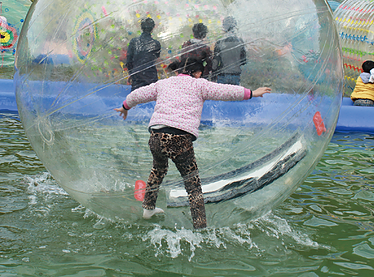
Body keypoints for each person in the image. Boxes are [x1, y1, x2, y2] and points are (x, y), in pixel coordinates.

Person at [114, 58, 271, 229]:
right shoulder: (199, 85)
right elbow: (225, 91)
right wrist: (251, 93)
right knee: (192, 183)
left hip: (156, 136)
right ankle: (200, 224)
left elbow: (137, 95)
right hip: (179, 138)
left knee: (158, 170)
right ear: (196, 73)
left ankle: (148, 208)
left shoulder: (163, 84)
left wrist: (125, 107)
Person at [126, 17, 161, 91]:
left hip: (137, 77)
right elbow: (155, 59)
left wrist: (132, 73)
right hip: (151, 77)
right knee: (151, 99)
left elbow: (129, 61)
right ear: (152, 28)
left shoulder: (134, 42)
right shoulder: (156, 44)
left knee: (136, 99)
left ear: (141, 28)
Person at [212, 16, 247, 85]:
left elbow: (215, 62)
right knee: (235, 95)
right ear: (235, 26)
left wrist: (213, 76)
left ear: (224, 27)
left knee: (222, 95)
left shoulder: (220, 42)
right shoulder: (240, 42)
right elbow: (243, 61)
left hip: (222, 75)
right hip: (236, 75)